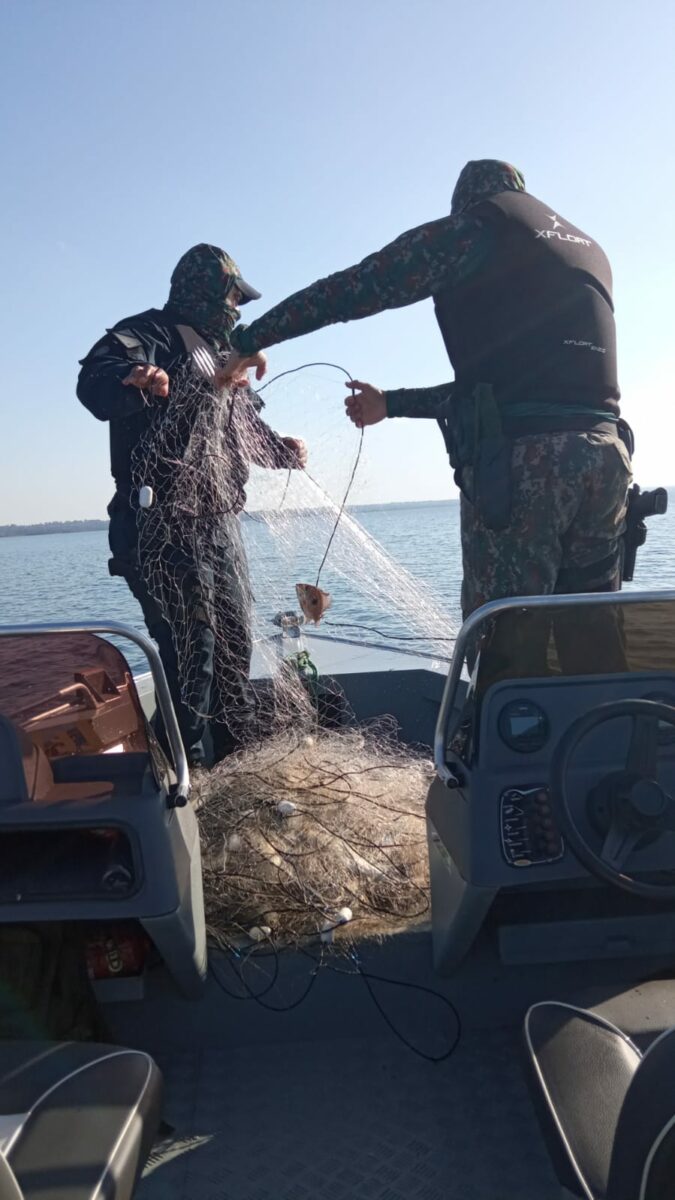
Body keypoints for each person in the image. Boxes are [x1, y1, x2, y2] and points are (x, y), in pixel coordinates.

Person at [224, 160, 632, 673]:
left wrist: (250, 339)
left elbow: (357, 287)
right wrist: (390, 404)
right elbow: (507, 391)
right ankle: (612, 742)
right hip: (608, 457)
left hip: (528, 465)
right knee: (592, 631)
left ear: (466, 202)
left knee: (504, 637)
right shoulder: (584, 248)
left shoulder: (477, 228)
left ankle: (501, 748)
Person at [77, 244, 307, 766]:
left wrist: (283, 451)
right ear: (205, 291)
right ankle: (173, 785)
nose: (237, 309)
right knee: (192, 655)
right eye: (232, 296)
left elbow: (245, 429)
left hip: (218, 525)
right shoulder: (150, 334)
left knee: (232, 648)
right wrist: (136, 377)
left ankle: (234, 770)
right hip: (156, 527)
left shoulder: (226, 355)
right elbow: (94, 380)